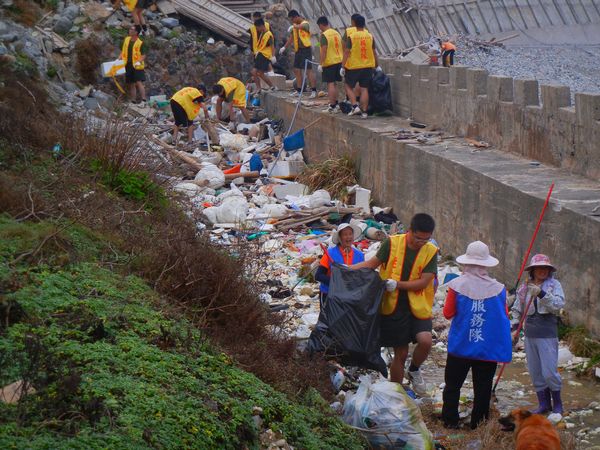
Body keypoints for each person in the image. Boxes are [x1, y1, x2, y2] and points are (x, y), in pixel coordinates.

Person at [352, 213, 437, 395]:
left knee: (425, 341)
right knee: (401, 352)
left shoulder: (430, 251)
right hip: (393, 306)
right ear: (409, 231)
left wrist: (397, 284)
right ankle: (395, 394)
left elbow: (424, 282)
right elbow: (372, 264)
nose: (421, 242)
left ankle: (414, 369)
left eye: (426, 239)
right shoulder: (392, 243)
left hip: (418, 305)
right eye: (418, 238)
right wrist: (345, 269)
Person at [441, 241, 512, 430]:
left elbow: (448, 313)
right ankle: (478, 425)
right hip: (486, 349)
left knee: (453, 386)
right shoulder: (499, 289)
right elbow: (504, 315)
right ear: (486, 264)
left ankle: (450, 421)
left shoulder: (456, 285)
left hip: (460, 347)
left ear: (466, 263)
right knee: (483, 388)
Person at [511, 254, 565, 415]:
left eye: (546, 268)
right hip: (530, 334)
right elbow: (517, 308)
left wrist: (541, 294)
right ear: (532, 270)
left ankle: (557, 404)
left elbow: (558, 306)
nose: (543, 271)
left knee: (549, 372)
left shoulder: (554, 285)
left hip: (547, 334)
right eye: (539, 268)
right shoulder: (524, 287)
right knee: (535, 371)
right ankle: (543, 404)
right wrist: (514, 326)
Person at [315, 223, 365, 310]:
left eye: (350, 234)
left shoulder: (359, 255)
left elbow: (362, 276)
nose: (348, 237)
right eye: (345, 234)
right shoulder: (330, 253)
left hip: (349, 296)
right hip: (329, 294)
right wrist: (336, 282)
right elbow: (318, 275)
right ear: (339, 238)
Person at [340, 15, 381, 119]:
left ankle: (355, 106)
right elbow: (374, 52)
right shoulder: (370, 36)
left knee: (348, 86)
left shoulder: (352, 36)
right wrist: (377, 65)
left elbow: (346, 52)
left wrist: (342, 66)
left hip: (354, 66)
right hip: (367, 66)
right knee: (364, 89)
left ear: (354, 23)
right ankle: (364, 112)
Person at [279, 9, 317, 98]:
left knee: (308, 70)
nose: (292, 22)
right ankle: (299, 90)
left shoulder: (305, 23)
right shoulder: (295, 26)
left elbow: (303, 27)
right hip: (298, 50)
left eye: (292, 19)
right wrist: (284, 47)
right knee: (297, 70)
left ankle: (314, 90)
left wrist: (295, 26)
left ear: (296, 17)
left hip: (306, 49)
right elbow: (292, 37)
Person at [316, 16, 343, 114]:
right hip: (339, 61)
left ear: (321, 25)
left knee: (330, 84)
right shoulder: (336, 33)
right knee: (335, 84)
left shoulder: (324, 35)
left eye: (319, 26)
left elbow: (324, 50)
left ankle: (332, 106)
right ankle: (336, 104)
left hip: (329, 62)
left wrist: (321, 64)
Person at [121, 25, 146, 104]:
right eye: (130, 29)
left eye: (132, 30)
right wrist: (118, 59)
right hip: (128, 64)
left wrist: (139, 61)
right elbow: (123, 51)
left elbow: (143, 55)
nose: (130, 31)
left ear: (136, 32)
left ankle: (144, 100)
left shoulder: (140, 43)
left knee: (139, 82)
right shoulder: (126, 39)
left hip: (137, 65)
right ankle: (133, 100)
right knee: (131, 83)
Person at [252, 18, 277, 93]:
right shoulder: (262, 33)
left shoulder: (268, 34)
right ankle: (272, 86)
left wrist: (273, 56)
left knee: (254, 72)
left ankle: (259, 88)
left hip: (264, 55)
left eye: (257, 28)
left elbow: (272, 45)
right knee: (260, 73)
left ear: (262, 26)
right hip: (260, 54)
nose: (257, 29)